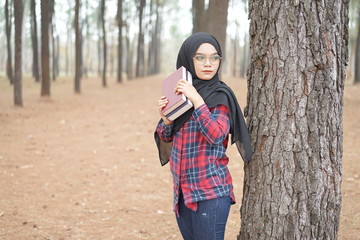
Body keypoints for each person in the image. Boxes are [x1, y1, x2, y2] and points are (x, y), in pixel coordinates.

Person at [154, 32, 252, 240]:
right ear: (188, 59)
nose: (208, 64)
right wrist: (167, 120)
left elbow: (216, 135)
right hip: (183, 193)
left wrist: (197, 100)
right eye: (200, 57)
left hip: (210, 194)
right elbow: (165, 139)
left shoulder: (219, 95)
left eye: (214, 57)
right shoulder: (181, 93)